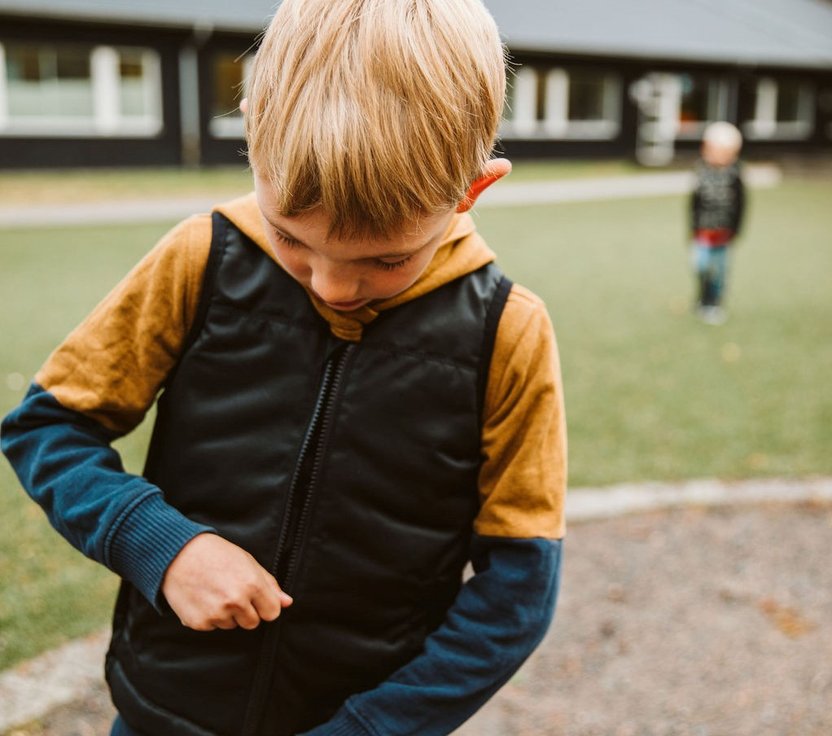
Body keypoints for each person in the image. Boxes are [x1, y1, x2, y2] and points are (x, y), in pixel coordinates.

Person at [0, 1, 566, 734]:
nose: (331, 287)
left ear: (471, 191)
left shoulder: (508, 333)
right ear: (250, 133)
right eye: (290, 237)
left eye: (386, 259)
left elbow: (517, 590)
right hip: (162, 713)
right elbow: (48, 427)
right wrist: (161, 546)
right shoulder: (201, 256)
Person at [689, 121, 746, 325]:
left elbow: (741, 204)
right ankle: (702, 298)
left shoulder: (734, 174)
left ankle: (714, 303)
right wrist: (692, 228)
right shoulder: (701, 171)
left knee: (719, 272)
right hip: (703, 232)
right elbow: (694, 202)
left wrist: (736, 230)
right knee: (701, 266)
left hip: (723, 234)